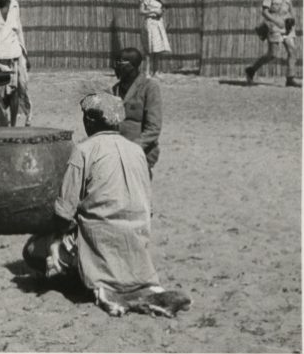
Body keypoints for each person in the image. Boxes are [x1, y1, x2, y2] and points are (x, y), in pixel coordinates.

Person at [21, 92, 186, 318]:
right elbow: (150, 208)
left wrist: (54, 240)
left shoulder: (83, 150)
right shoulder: (137, 151)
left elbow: (63, 214)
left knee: (32, 251)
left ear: (89, 121)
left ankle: (86, 279)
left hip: (99, 242)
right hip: (136, 245)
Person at [245, 0, 301, 87]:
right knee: (272, 55)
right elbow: (265, 12)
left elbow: (291, 8)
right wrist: (276, 21)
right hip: (274, 27)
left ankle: (290, 78)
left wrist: (293, 18)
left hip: (287, 27)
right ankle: (251, 70)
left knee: (292, 50)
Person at [112, 47, 162, 174]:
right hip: (115, 153)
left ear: (132, 65)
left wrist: (132, 149)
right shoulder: (113, 90)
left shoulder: (149, 87)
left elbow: (153, 128)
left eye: (119, 63)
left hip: (140, 153)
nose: (115, 67)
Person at [139, 0, 171, 77]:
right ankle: (147, 72)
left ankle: (156, 71)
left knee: (157, 48)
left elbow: (162, 8)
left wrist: (162, 12)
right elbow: (141, 11)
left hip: (158, 23)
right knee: (149, 48)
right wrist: (153, 12)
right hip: (150, 23)